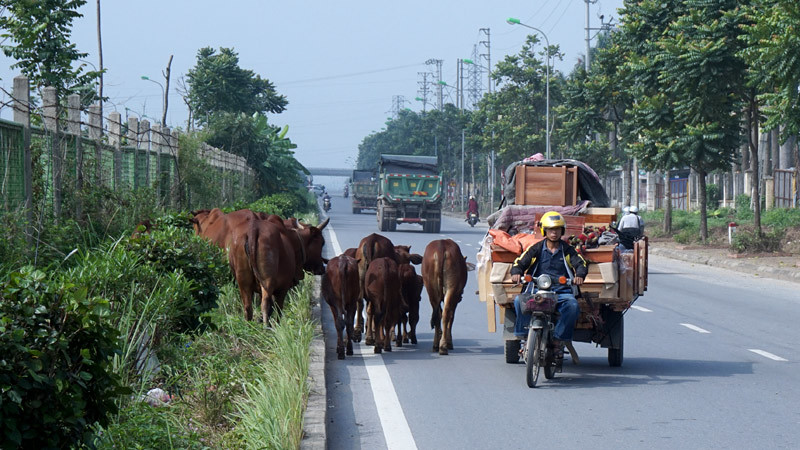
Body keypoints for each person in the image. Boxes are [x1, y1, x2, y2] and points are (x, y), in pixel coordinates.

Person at [510, 211, 588, 355]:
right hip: (536, 289)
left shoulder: (568, 250)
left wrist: (580, 275)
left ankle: (559, 340)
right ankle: (524, 336)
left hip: (561, 291)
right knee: (518, 301)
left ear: (562, 231)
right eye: (551, 229)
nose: (554, 233)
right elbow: (520, 261)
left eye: (557, 229)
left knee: (572, 306)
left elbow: (581, 263)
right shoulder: (536, 248)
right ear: (544, 230)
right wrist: (516, 272)